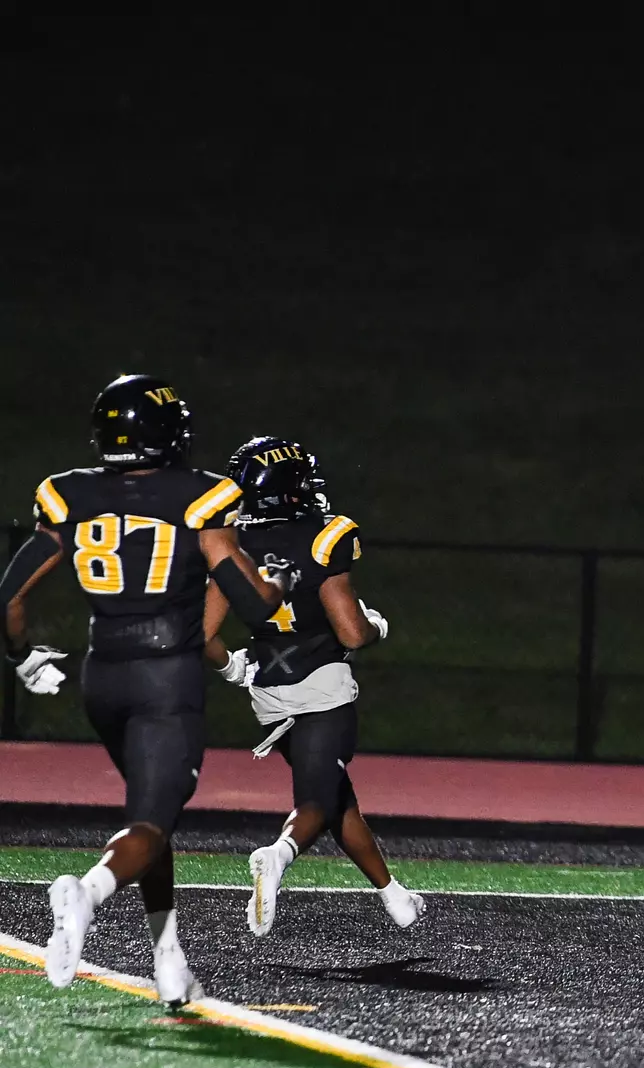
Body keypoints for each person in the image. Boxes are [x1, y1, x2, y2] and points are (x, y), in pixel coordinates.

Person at [0, 375, 294, 1004]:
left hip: (103, 674)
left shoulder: (69, 493)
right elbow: (251, 603)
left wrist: (22, 660)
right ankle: (88, 893)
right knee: (152, 823)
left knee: (150, 818)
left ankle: (169, 962)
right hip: (168, 677)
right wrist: (278, 585)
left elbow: (8, 598)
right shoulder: (201, 495)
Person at [203, 436, 424, 937]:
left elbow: (203, 635)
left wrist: (233, 670)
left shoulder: (229, 542)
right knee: (319, 802)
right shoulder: (326, 535)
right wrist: (376, 626)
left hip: (268, 690)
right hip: (322, 682)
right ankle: (276, 857)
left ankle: (394, 895)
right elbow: (349, 631)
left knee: (335, 794)